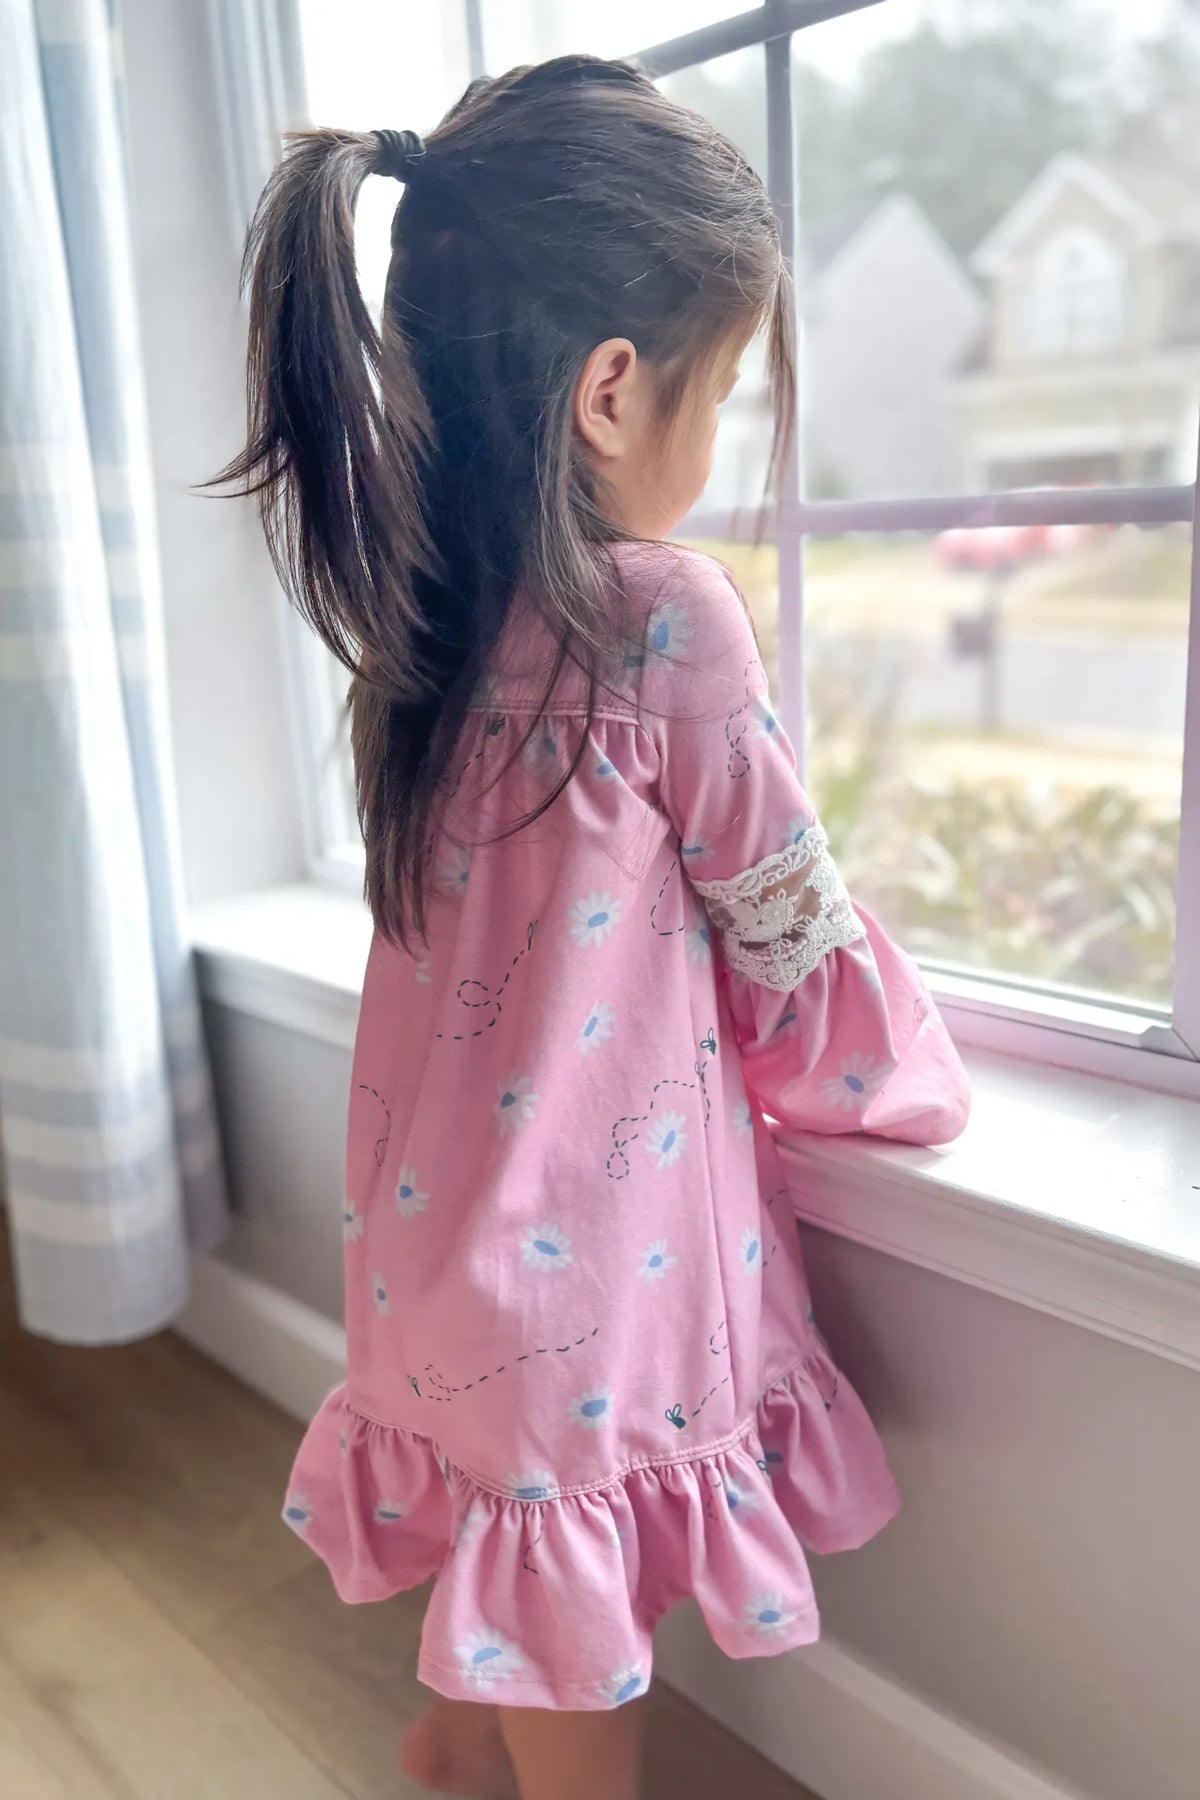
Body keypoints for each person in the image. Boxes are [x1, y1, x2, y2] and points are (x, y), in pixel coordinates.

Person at [216, 54, 970, 1800]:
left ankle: (457, 1733)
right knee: (573, 1611)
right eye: (726, 391)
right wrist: (888, 1085)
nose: (724, 442)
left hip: (432, 1244)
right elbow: (780, 917)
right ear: (615, 392)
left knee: (505, 1525)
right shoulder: (661, 617)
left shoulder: (427, 617)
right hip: (582, 1266)